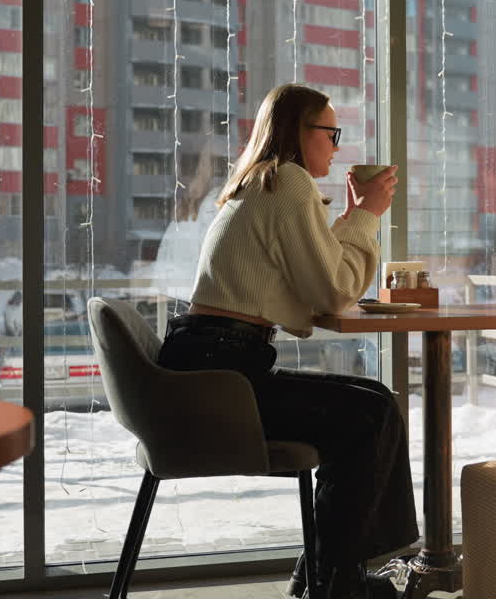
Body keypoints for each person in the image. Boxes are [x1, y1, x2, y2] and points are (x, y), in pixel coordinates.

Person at [155, 83, 417, 599]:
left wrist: (347, 218)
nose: (337, 146)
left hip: (208, 363)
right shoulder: (289, 182)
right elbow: (335, 290)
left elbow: (321, 278)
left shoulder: (264, 183)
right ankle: (336, 581)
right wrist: (366, 216)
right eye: (331, 132)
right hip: (220, 373)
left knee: (375, 403)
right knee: (370, 415)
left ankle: (327, 576)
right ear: (300, 130)